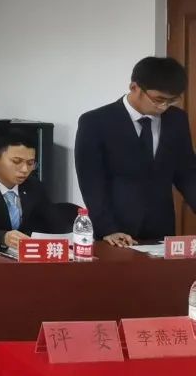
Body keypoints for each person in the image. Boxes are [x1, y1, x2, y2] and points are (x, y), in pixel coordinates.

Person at [75, 56, 196, 246]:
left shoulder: (176, 120)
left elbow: (187, 174)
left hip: (161, 230)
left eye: (171, 101)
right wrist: (107, 229)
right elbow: (91, 182)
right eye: (158, 100)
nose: (164, 107)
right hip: (116, 232)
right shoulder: (95, 122)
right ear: (134, 87)